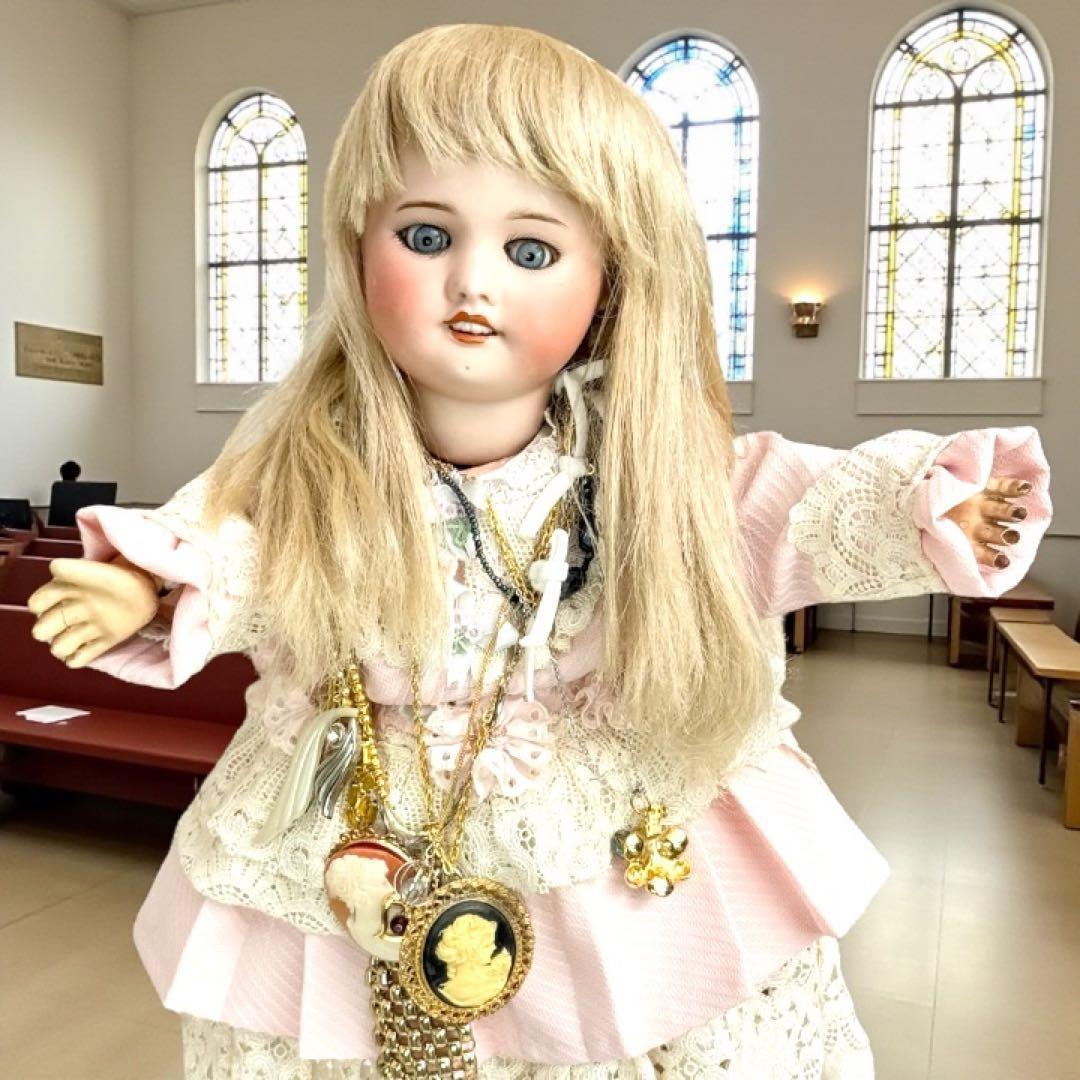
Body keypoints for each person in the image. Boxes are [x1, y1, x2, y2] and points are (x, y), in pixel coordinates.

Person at [26, 24, 1051, 1078]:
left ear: (610, 279)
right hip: (358, 808)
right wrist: (144, 582)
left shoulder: (655, 474)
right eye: (426, 235)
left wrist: (931, 504)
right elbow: (234, 543)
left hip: (603, 818)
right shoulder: (311, 465)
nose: (472, 282)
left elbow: (799, 504)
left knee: (639, 1028)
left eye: (530, 252)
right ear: (358, 243)